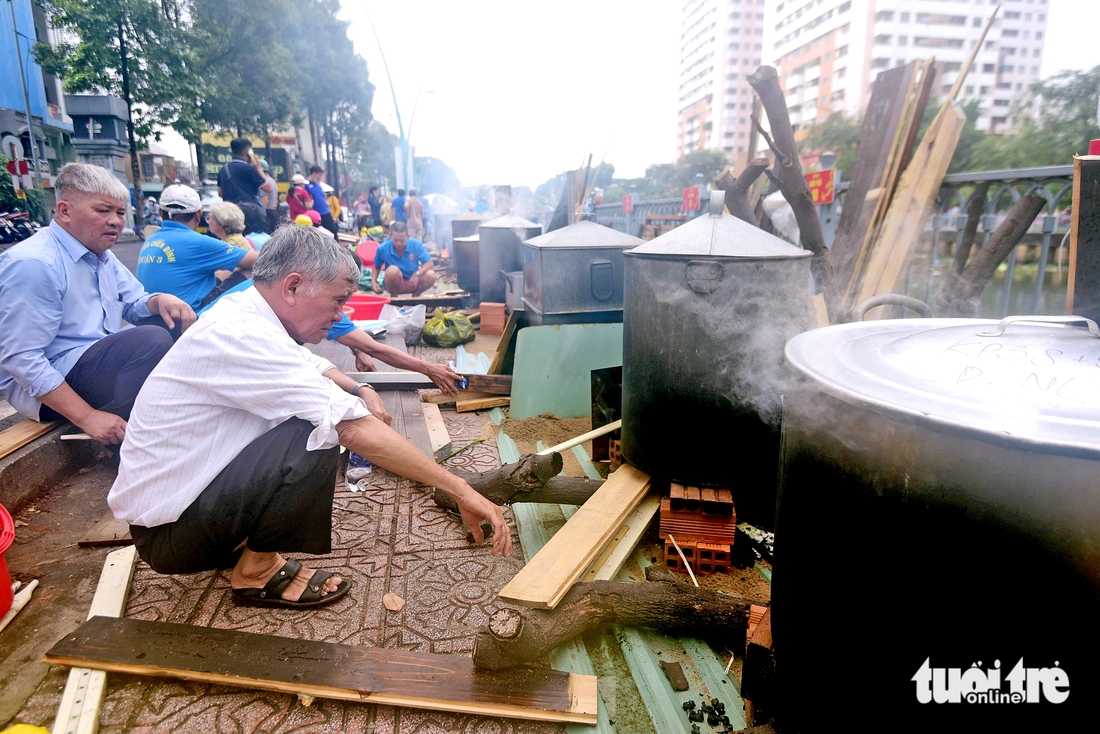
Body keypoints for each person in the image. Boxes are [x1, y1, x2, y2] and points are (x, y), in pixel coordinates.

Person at [107, 226, 509, 608]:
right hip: (171, 537)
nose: (339, 315)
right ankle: (256, 572)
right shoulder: (240, 334)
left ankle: (243, 544)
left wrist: (359, 387)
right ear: (293, 286)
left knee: (322, 409)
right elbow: (349, 426)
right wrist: (460, 489)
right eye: (337, 302)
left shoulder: (246, 308)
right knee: (316, 432)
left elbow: (309, 364)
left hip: (181, 513)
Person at [0, 163, 194, 443]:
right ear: (65, 211)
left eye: (119, 213)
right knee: (151, 340)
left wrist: (160, 300)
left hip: (92, 360)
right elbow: (22, 358)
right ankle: (130, 443)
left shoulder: (101, 254)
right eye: (103, 211)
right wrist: (87, 417)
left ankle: (161, 423)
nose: (115, 221)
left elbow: (134, 302)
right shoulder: (35, 264)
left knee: (175, 321)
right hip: (50, 387)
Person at [137, 185, 260, 313]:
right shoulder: (198, 242)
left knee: (224, 271)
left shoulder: (150, 240)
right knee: (249, 269)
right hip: (189, 314)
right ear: (199, 214)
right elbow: (260, 260)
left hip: (154, 313)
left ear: (161, 213)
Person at [216, 138, 274, 232]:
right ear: (248, 151)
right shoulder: (249, 169)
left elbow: (220, 193)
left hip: (230, 213)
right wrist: (258, 167)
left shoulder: (223, 169)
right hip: (249, 214)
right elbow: (268, 187)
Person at [372, 222, 436, 296]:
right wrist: (373, 282)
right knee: (392, 270)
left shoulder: (416, 244)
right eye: (395, 240)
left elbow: (429, 263)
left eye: (402, 240)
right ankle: (394, 296)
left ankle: (416, 295)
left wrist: (417, 274)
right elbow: (376, 266)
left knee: (431, 275)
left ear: (408, 236)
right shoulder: (383, 248)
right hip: (394, 283)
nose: (399, 243)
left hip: (413, 282)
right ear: (390, 236)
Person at [305, 166, 338, 236]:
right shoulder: (306, 185)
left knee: (333, 231)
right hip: (317, 214)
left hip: (326, 212)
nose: (320, 177)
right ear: (314, 173)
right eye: (319, 175)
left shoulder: (318, 185)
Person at [259, 160, 280, 233]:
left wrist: (262, 217)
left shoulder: (264, 182)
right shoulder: (272, 180)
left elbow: (265, 200)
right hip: (274, 211)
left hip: (268, 213)